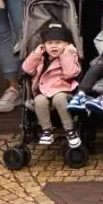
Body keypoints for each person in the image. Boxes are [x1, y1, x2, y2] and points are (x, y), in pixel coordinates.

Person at [21, 21, 83, 150]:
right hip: (44, 93)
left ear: (66, 44)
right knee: (39, 100)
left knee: (59, 98)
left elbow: (71, 73)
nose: (54, 46)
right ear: (43, 45)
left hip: (64, 91)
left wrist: (66, 53)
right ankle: (47, 130)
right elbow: (26, 69)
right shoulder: (41, 59)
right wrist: (36, 54)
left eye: (58, 43)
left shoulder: (70, 55)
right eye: (50, 43)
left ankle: (69, 130)